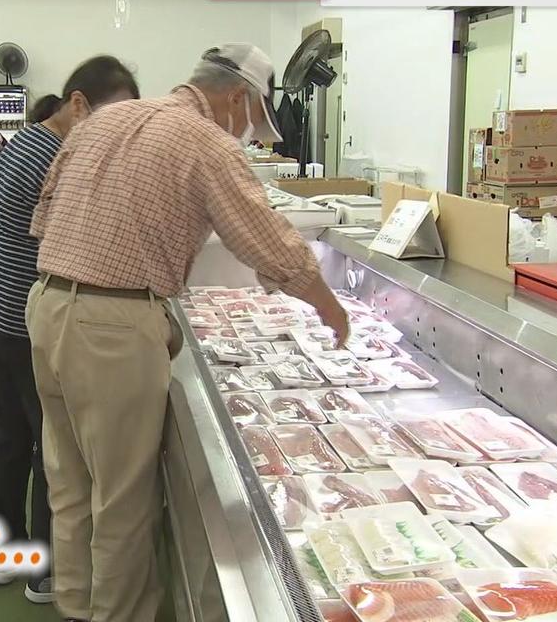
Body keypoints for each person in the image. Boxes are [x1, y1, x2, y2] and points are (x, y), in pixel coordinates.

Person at [26, 44, 349, 622]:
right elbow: (262, 235)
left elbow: (44, 215)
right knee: (123, 501)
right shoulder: (205, 141)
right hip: (112, 327)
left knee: (70, 485)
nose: (253, 131)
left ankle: (75, 608)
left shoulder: (105, 119)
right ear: (236, 97)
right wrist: (328, 306)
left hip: (48, 306)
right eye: (254, 117)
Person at [0, 56, 140, 607]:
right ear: (79, 105)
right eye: (112, 117)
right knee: (53, 440)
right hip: (23, 313)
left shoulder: (23, 141)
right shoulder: (58, 156)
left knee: (11, 429)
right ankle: (44, 567)